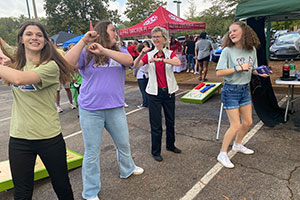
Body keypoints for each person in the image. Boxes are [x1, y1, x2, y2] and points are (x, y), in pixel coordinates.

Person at [64, 20, 144, 200]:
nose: (116, 33)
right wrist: (84, 41)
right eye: (113, 30)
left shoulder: (118, 52)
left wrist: (104, 50)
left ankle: (127, 169)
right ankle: (90, 192)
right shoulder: (86, 53)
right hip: (91, 110)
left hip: (115, 108)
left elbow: (129, 61)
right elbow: (67, 63)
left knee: (123, 144)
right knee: (92, 152)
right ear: (102, 32)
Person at [0, 21, 74, 199]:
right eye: (29, 34)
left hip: (48, 137)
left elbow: (19, 79)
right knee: (22, 191)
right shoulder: (17, 61)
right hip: (19, 139)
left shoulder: (50, 67)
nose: (34, 37)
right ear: (21, 39)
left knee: (61, 185)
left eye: (39, 35)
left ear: (46, 41)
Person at [216, 21, 269, 168]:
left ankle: (237, 144)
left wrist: (259, 72)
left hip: (245, 89)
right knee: (236, 125)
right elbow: (219, 72)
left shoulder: (251, 50)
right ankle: (222, 153)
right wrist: (238, 67)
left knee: (248, 122)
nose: (231, 33)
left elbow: (252, 68)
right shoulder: (227, 51)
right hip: (230, 90)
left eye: (234, 30)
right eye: (230, 31)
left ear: (244, 32)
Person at [133, 26, 182, 162]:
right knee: (156, 124)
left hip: (169, 92)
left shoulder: (169, 53)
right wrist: (142, 54)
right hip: (154, 93)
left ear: (164, 38)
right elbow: (135, 65)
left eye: (158, 36)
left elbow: (177, 62)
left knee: (170, 121)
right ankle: (156, 151)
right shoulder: (149, 54)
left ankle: (170, 145)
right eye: (153, 37)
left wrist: (161, 59)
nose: (155, 39)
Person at [54, 45, 76, 112]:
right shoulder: (49, 53)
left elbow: (66, 61)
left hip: (64, 72)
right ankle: (58, 106)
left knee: (67, 88)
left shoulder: (61, 51)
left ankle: (71, 103)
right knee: (57, 90)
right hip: (56, 73)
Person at [135, 42, 149, 108]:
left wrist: (134, 73)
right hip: (146, 74)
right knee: (146, 90)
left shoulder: (140, 58)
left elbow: (135, 66)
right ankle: (147, 102)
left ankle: (145, 103)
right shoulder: (148, 56)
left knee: (143, 91)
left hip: (141, 75)